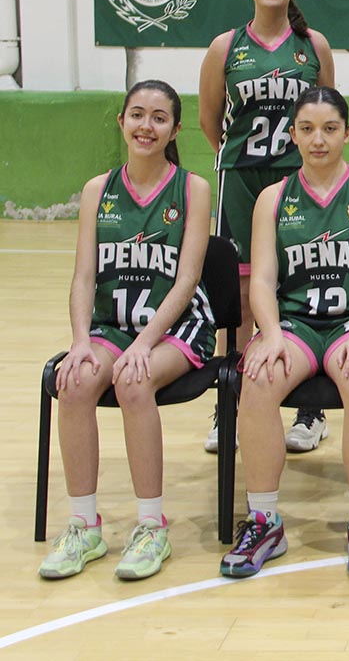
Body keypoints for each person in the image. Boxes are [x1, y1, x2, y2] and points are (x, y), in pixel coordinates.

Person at [219, 87, 349, 579]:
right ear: (293, 135)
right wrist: (270, 334)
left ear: (347, 133)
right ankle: (264, 521)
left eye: (329, 129)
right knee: (257, 379)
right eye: (307, 129)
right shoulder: (273, 198)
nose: (318, 139)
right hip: (297, 322)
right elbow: (261, 280)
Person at [39, 80, 215, 581]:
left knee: (133, 381)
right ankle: (84, 526)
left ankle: (151, 526)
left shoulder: (193, 189)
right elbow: (84, 276)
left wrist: (143, 343)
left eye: (159, 118)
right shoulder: (98, 190)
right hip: (111, 325)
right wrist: (80, 341)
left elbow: (187, 280)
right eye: (137, 114)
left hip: (177, 325)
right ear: (122, 122)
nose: (146, 126)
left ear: (175, 130)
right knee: (74, 381)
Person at [198, 0, 335, 455]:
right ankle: (230, 403)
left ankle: (311, 410)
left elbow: (326, 114)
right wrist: (242, 159)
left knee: (301, 286)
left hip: (300, 179)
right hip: (241, 177)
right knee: (238, 294)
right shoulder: (225, 46)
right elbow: (210, 119)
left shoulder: (313, 45)